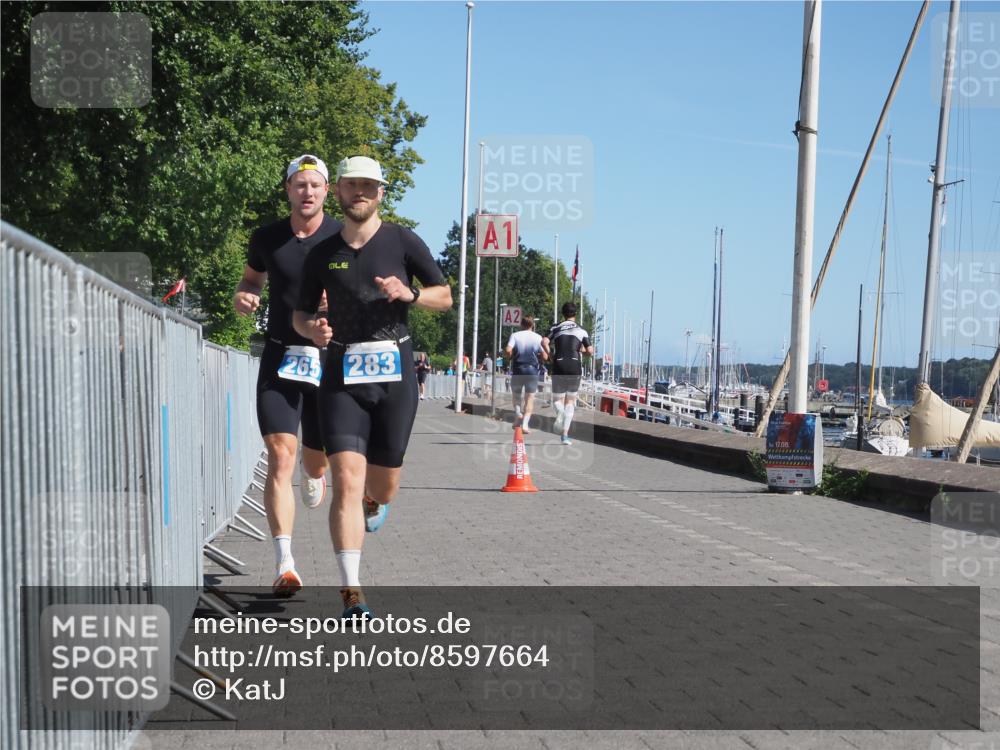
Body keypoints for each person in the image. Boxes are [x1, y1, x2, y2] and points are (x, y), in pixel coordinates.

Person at [293, 155, 452, 619]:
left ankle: (373, 500)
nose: (359, 192)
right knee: (345, 480)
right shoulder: (322, 254)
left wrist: (412, 295)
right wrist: (311, 331)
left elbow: (445, 296)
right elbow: (301, 314)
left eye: (369, 185)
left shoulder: (402, 241)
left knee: (384, 487)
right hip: (342, 372)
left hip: (395, 372)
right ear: (338, 192)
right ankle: (351, 589)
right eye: (351, 185)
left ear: (381, 193)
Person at [233, 154, 342, 597]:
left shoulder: (344, 235)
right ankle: (285, 563)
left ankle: (313, 470)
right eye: (300, 185)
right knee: (279, 456)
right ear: (288, 190)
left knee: (315, 462)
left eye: (315, 185)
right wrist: (245, 296)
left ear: (326, 192)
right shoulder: (268, 237)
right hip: (280, 356)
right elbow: (251, 280)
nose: (308, 192)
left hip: (329, 358)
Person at [543, 301, 594, 445]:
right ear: (575, 314)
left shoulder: (555, 327)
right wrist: (583, 351)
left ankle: (560, 412)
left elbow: (543, 341)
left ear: (563, 313)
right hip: (574, 366)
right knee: (570, 401)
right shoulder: (581, 329)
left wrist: (551, 355)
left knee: (557, 400)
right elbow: (589, 351)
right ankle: (565, 435)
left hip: (559, 363)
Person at [505, 316, 548, 433]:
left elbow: (508, 350)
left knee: (516, 396)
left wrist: (510, 357)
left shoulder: (515, 335)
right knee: (529, 399)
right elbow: (545, 356)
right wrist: (540, 358)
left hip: (518, 369)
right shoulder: (538, 337)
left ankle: (518, 413)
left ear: (521, 325)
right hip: (532, 371)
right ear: (532, 325)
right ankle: (525, 425)